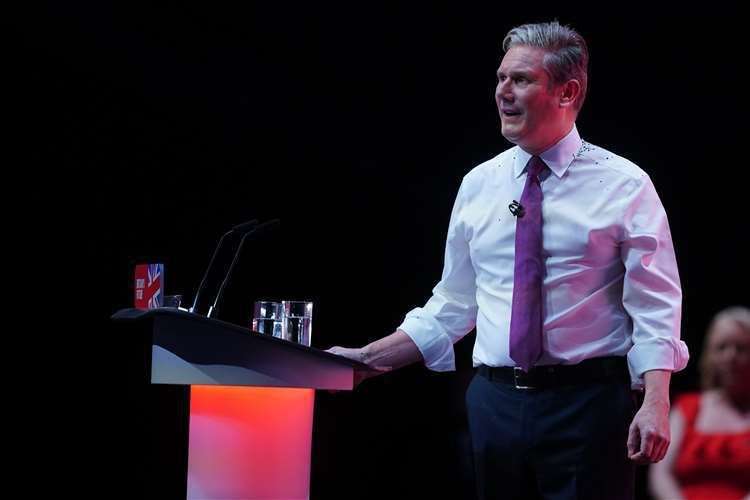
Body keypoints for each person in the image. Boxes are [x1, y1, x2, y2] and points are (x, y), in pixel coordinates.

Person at [328, 20, 688, 500]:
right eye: (501, 78)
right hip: (494, 404)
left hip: (587, 405)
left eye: (521, 80)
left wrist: (657, 402)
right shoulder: (479, 183)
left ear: (567, 91)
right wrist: (370, 358)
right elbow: (454, 303)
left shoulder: (625, 184)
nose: (503, 92)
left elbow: (654, 305)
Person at [649, 306, 750, 500]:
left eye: (741, 348)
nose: (731, 356)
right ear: (710, 355)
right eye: (722, 347)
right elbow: (661, 475)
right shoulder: (688, 408)